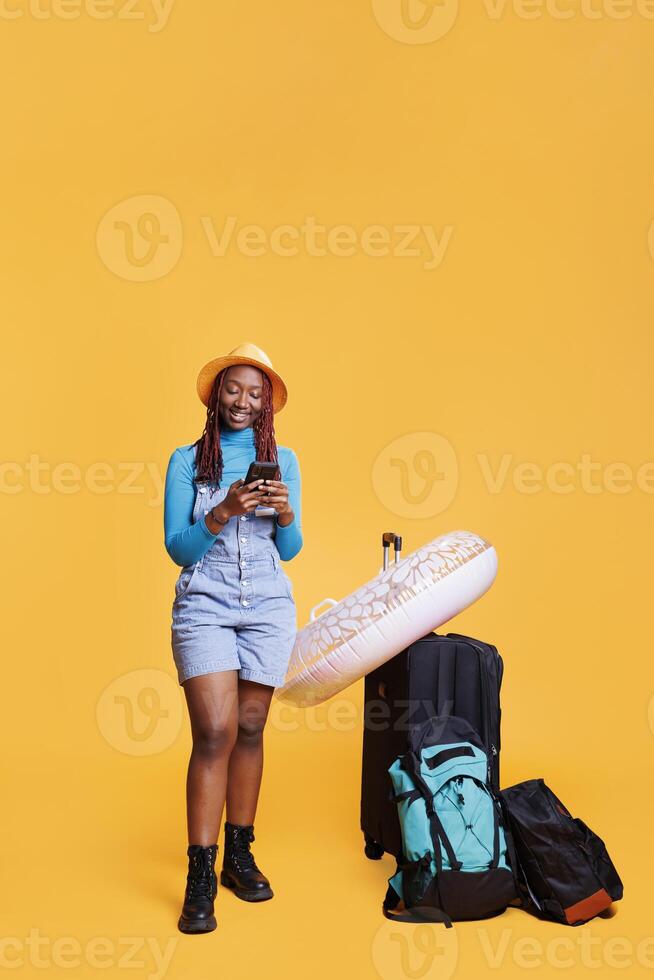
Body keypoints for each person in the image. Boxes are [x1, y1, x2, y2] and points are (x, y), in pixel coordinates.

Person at [163, 342, 302, 934]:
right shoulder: (186, 460)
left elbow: (289, 551)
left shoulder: (286, 459)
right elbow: (178, 548)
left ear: (267, 403)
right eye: (232, 389)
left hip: (268, 604)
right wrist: (223, 510)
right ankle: (201, 872)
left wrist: (286, 514)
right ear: (215, 395)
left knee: (249, 726)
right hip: (207, 605)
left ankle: (239, 855)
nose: (242, 401)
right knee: (214, 730)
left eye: (255, 392)